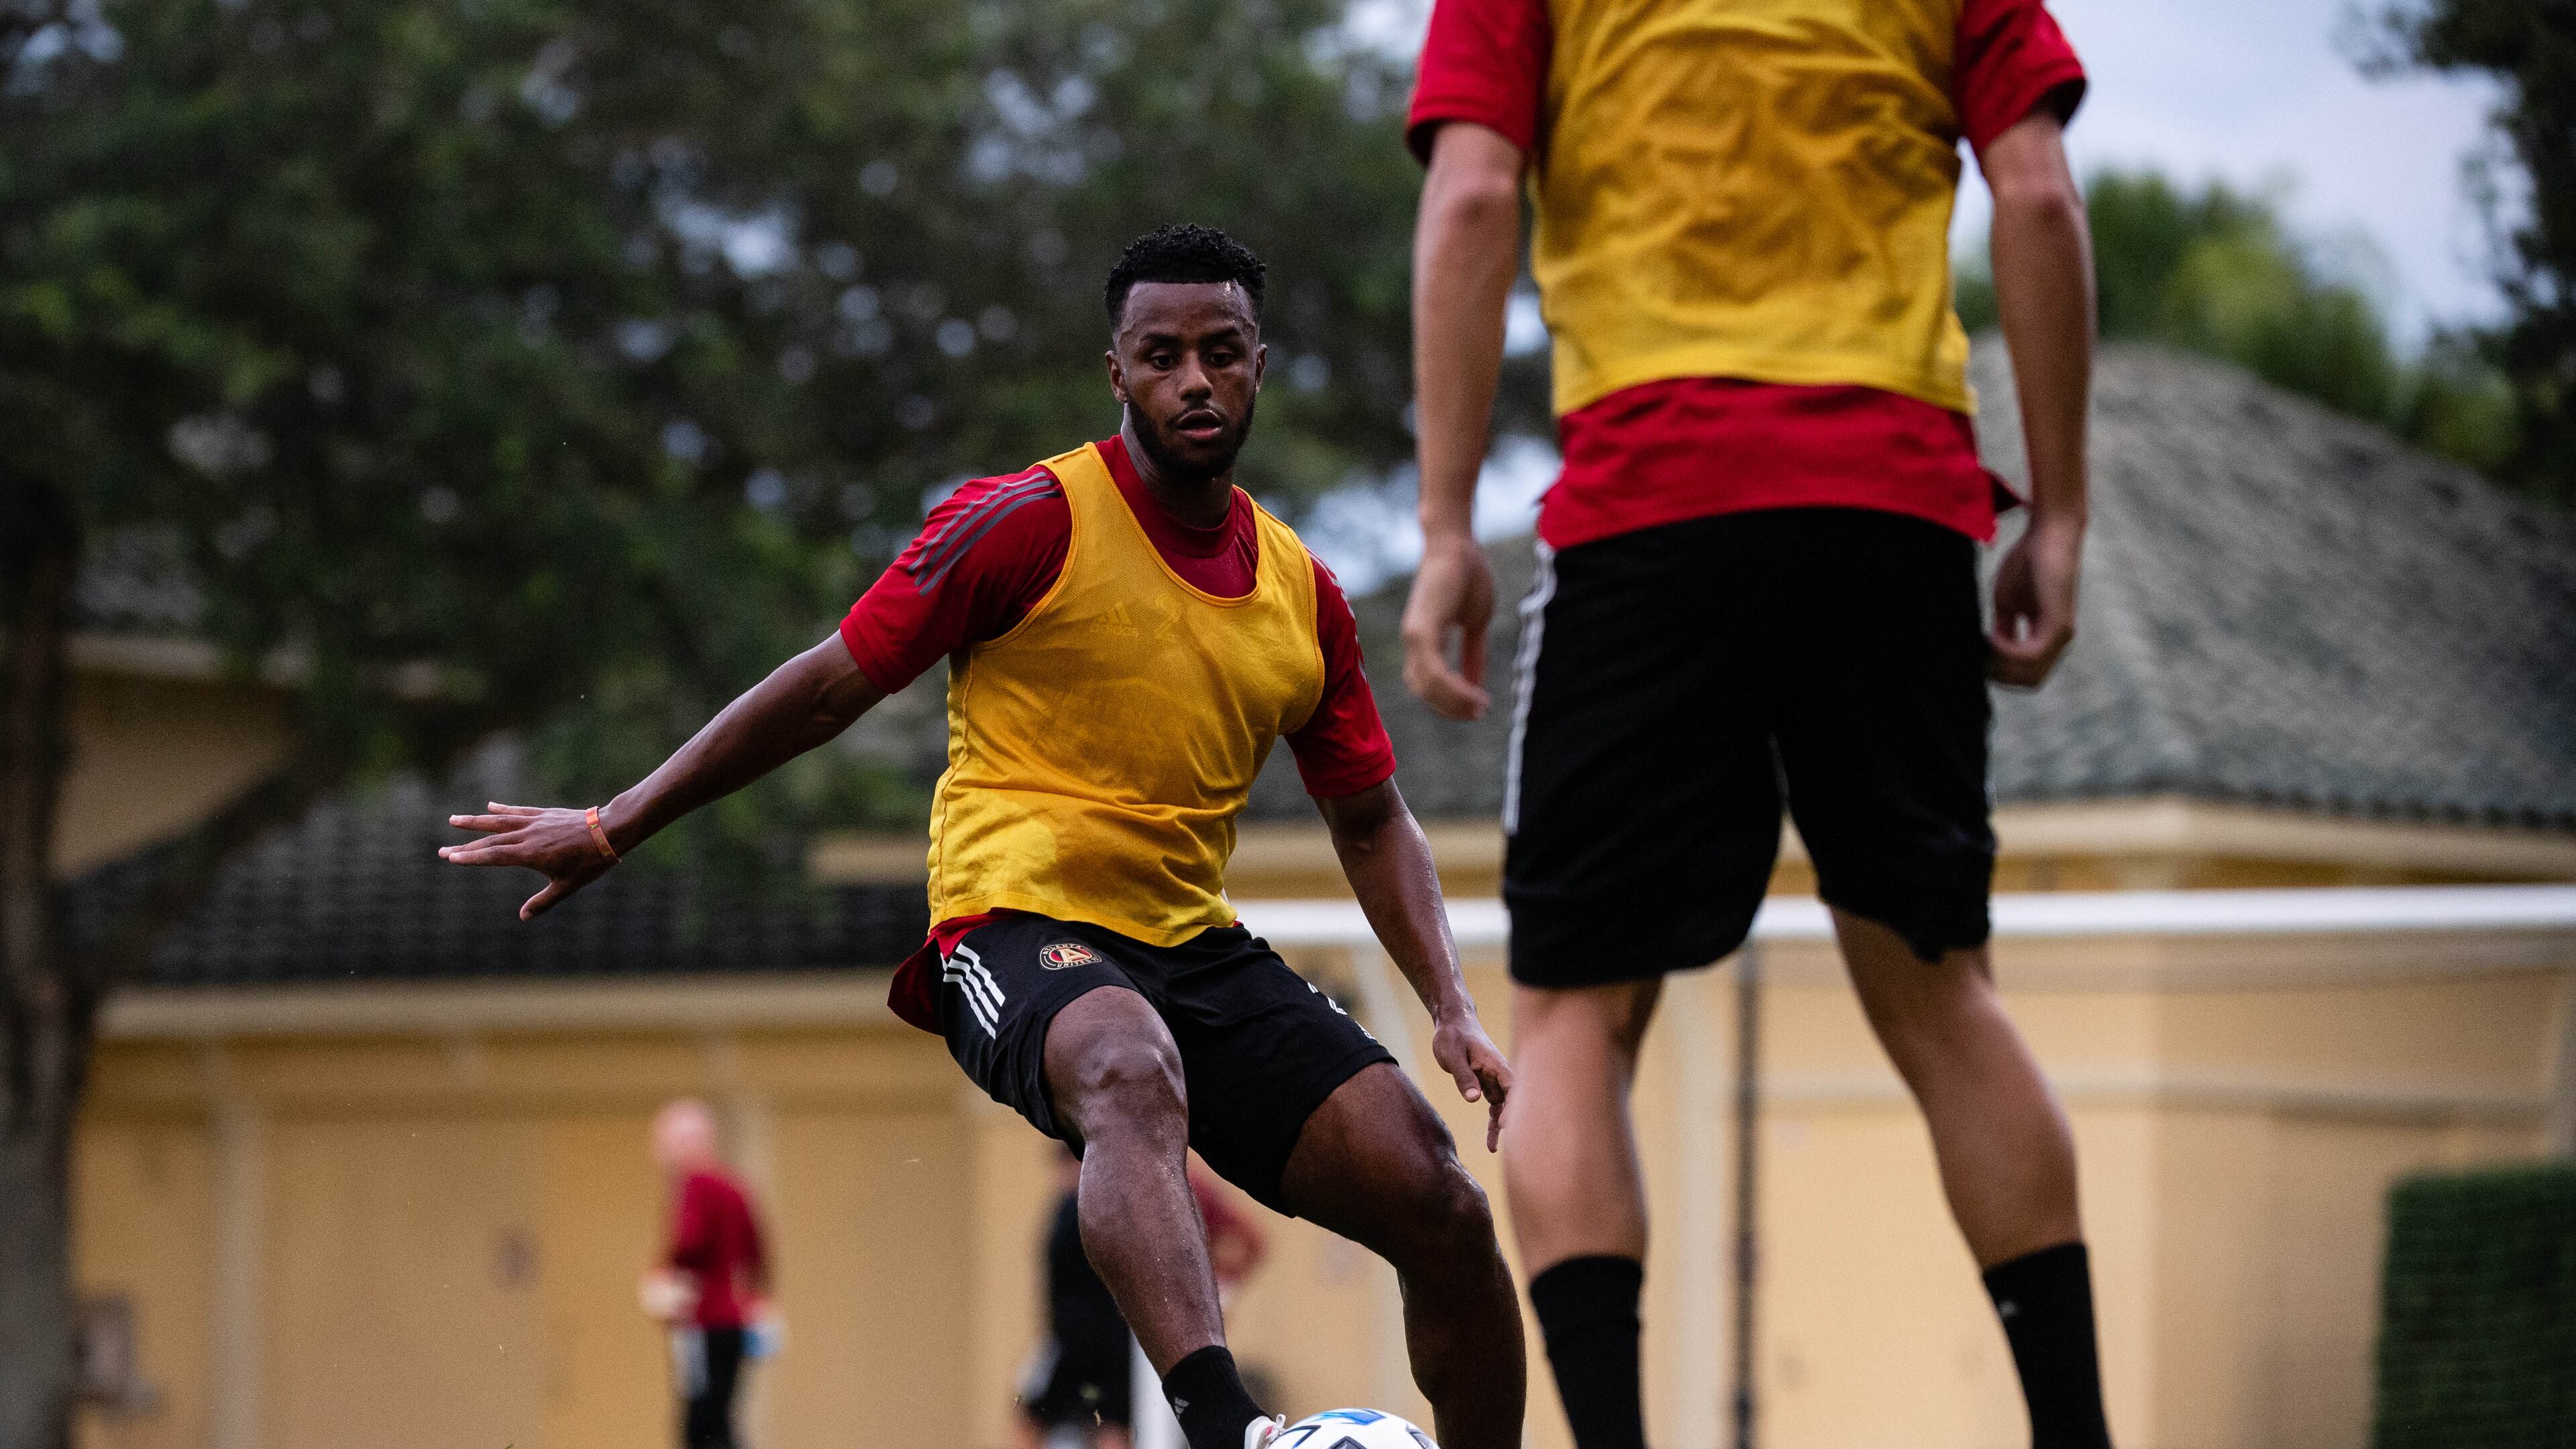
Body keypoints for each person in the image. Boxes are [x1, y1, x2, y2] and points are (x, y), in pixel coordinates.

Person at [441, 224, 1527, 1449]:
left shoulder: (1303, 595)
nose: (1193, 381)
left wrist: (1446, 1001)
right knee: (1127, 1066)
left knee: (1438, 1197)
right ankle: (1233, 1435)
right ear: (1115, 373)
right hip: (1010, 929)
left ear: (1259, 366)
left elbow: (1372, 815)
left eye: (1220, 353)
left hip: (1191, 947)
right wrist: (616, 820)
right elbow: (826, 687)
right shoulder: (1023, 523)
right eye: (1160, 355)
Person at [1398, 2, 2108, 1448]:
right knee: (1937, 988)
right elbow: (2037, 191)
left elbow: (1472, 195)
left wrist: (1446, 526)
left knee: (1575, 1008)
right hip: (1896, 505)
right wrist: (2064, 505)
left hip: (1653, 503)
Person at [1019, 1152, 1268, 1449]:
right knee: (1110, 1420)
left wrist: (1220, 1290)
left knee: (1123, 1421)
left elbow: (1251, 1239)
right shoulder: (1076, 1206)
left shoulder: (1167, 1186)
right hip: (1102, 1335)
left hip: (1128, 1336)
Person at [639, 1099, 770, 1449]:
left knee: (699, 1422)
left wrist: (660, 1272)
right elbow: (757, 1252)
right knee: (723, 1415)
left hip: (703, 1321)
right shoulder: (736, 1187)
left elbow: (690, 1243)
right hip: (734, 1323)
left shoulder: (695, 1184)